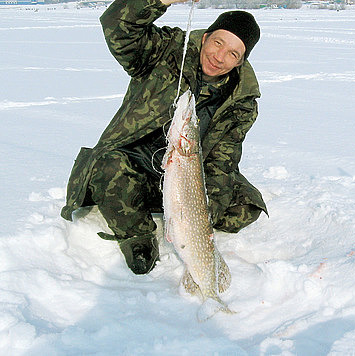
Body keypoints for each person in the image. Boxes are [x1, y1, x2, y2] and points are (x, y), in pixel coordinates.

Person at [61, 0, 267, 275]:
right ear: (205, 36)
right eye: (218, 43)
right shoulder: (166, 50)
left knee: (246, 206)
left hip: (188, 173)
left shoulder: (241, 102)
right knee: (108, 167)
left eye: (233, 54)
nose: (219, 57)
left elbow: (221, 162)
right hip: (137, 159)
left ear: (241, 61)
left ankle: (162, 211)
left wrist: (201, 218)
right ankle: (138, 236)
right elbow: (118, 26)